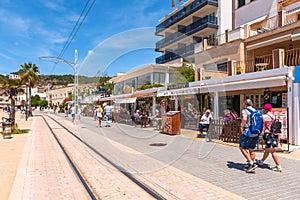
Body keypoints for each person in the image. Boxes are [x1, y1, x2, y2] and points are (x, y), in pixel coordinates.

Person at [256, 104, 282, 172]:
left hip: (268, 135)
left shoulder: (264, 116)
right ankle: (261, 161)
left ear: (265, 109)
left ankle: (278, 166)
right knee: (267, 149)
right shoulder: (275, 116)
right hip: (275, 134)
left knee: (272, 151)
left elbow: (261, 126)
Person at [239, 99, 259, 173]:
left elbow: (244, 119)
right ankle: (250, 165)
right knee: (251, 149)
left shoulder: (245, 111)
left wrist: (241, 127)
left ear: (245, 104)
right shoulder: (256, 111)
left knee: (242, 147)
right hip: (256, 132)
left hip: (248, 131)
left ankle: (251, 163)